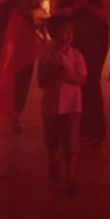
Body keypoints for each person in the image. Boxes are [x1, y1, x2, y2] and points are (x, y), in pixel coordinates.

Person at [50, 0, 110, 141]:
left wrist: (86, 4)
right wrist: (72, 9)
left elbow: (105, 13)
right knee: (69, 82)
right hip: (69, 42)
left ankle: (94, 131)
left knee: (91, 81)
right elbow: (54, 12)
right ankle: (71, 129)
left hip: (95, 41)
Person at [0, 0, 40, 133]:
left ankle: (17, 112)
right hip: (6, 33)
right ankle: (9, 111)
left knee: (24, 72)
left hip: (25, 32)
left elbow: (32, 6)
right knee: (8, 72)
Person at [38, 18, 87, 194]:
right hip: (52, 106)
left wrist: (68, 75)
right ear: (54, 34)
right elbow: (41, 82)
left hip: (72, 106)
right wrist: (52, 71)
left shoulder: (77, 56)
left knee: (71, 141)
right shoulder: (46, 57)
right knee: (52, 139)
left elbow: (82, 80)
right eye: (64, 32)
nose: (68, 36)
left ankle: (70, 177)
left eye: (71, 32)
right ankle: (53, 162)